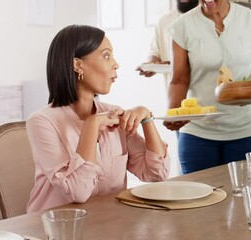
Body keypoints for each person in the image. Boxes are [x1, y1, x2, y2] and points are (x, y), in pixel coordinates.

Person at [26, 25, 170, 213]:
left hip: (107, 223)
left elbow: (156, 174)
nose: (116, 64)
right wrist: (91, 125)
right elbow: (78, 192)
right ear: (78, 65)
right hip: (55, 228)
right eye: (106, 56)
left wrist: (147, 118)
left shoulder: (114, 115)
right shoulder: (41, 122)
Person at [165, 0, 251, 174]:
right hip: (197, 132)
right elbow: (179, 80)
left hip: (244, 129)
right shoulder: (182, 26)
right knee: (197, 196)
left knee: (240, 194)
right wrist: (174, 113)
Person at [137, 0, 199, 78]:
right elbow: (155, 53)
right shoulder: (164, 21)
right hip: (173, 88)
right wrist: (151, 66)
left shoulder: (212, 19)